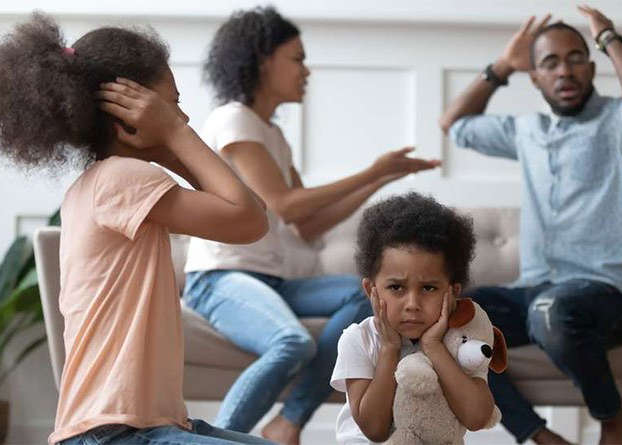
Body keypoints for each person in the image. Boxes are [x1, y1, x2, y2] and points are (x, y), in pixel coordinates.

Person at [0, 13, 275, 445]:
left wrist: (170, 144)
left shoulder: (103, 183)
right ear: (127, 111)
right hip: (115, 433)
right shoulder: (123, 179)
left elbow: (251, 212)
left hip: (143, 426)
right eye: (172, 104)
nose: (182, 116)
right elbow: (250, 221)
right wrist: (174, 134)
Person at [182, 7, 440, 444]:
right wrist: (371, 170)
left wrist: (379, 179)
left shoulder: (272, 135)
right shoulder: (234, 119)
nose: (306, 71)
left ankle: (288, 421)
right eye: (297, 58)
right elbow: (283, 204)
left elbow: (307, 224)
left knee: (372, 297)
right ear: (263, 60)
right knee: (292, 342)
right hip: (218, 277)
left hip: (273, 279)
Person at [439, 5, 622, 444]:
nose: (565, 70)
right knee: (442, 317)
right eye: (550, 62)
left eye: (576, 58)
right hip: (536, 289)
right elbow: (454, 124)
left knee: (550, 312)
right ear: (535, 78)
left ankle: (614, 422)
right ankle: (542, 437)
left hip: (608, 295)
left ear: (592, 67)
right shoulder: (528, 130)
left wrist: (608, 37)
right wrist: (502, 66)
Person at [330, 192, 490, 444]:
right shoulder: (358, 339)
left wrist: (433, 346)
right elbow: (374, 430)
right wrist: (390, 348)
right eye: (396, 288)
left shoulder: (460, 341)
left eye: (429, 288)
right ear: (371, 290)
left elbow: (477, 418)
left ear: (453, 292)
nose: (413, 304)